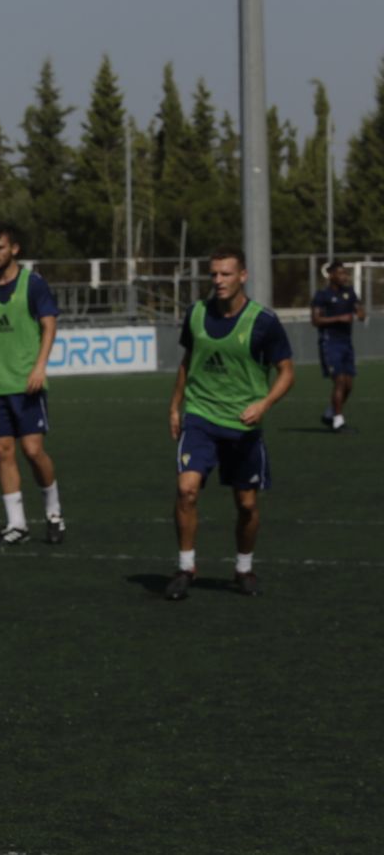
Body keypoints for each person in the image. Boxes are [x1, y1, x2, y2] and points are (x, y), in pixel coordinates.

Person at [165, 247, 294, 601]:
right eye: (214, 274)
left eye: (226, 274)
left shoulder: (263, 322)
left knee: (247, 505)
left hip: (242, 424)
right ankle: (186, 566)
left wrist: (264, 403)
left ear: (242, 276)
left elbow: (287, 372)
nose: (218, 281)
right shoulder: (196, 314)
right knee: (187, 489)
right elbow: (187, 361)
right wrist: (176, 406)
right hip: (201, 417)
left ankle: (243, 568)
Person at [0, 222, 66, 545]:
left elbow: (49, 325)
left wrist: (39, 367)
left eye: (0, 248)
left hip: (27, 383)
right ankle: (17, 523)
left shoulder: (33, 284)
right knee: (2, 450)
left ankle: (54, 513)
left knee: (33, 450)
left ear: (14, 249)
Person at [311, 260, 365, 432]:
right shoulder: (322, 295)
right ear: (332, 275)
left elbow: (360, 312)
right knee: (340, 380)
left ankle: (330, 414)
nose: (344, 276)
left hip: (346, 344)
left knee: (348, 385)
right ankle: (338, 422)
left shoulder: (349, 293)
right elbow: (316, 320)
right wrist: (338, 319)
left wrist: (361, 312)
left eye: (345, 273)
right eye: (341, 273)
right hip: (329, 343)